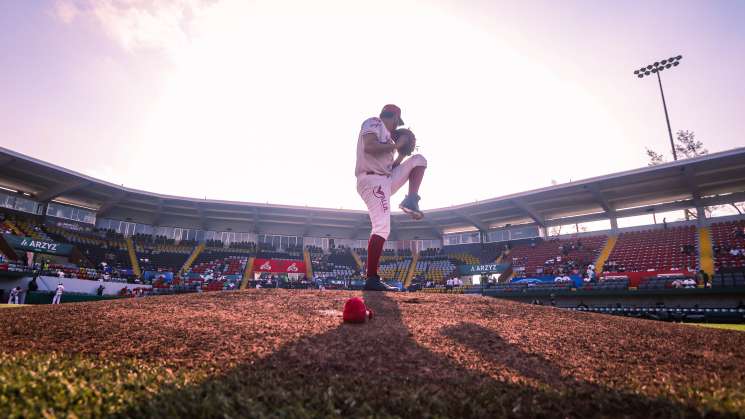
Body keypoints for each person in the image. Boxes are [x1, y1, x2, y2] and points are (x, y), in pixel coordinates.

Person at [355, 104, 427, 291]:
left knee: (419, 160)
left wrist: (401, 154)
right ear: (394, 118)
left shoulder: (387, 139)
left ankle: (411, 199)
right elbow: (369, 147)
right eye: (397, 122)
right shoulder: (374, 122)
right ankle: (371, 278)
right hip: (371, 180)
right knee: (382, 227)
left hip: (384, 179)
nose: (397, 127)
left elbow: (390, 169)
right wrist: (396, 145)